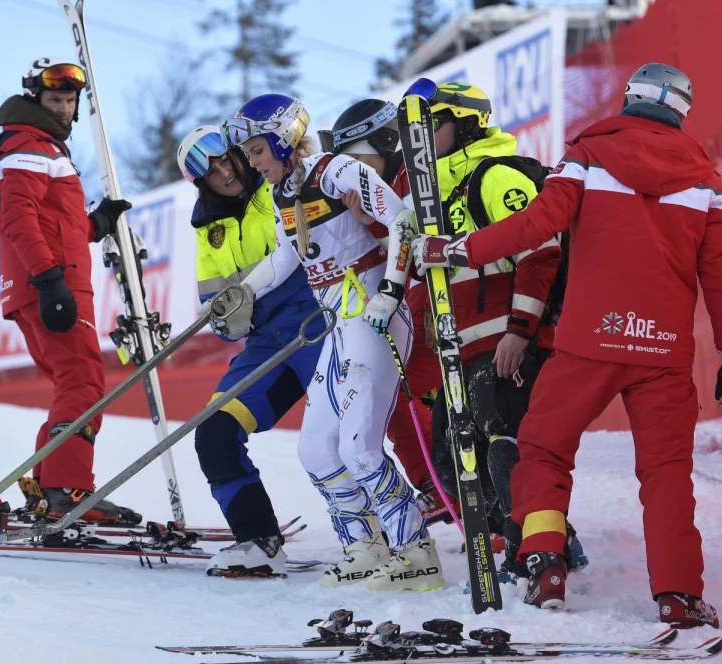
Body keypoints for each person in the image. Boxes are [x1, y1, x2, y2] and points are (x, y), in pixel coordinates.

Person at [412, 63, 722, 627]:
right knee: (666, 475)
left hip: (589, 340)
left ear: (629, 99)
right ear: (681, 112)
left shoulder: (588, 156)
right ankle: (678, 596)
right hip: (662, 352)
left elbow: (534, 226)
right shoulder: (706, 182)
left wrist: (457, 250)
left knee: (542, 449)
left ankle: (545, 564)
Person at [222, 93, 444, 592]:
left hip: (373, 312)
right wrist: (243, 291)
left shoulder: (336, 170)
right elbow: (286, 258)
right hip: (338, 323)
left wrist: (391, 290)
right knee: (315, 449)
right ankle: (364, 546)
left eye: (257, 150)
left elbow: (402, 221)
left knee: (358, 445)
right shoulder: (283, 194)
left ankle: (416, 552)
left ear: (283, 140)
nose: (252, 163)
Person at [408, 80, 588, 582]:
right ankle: (533, 537)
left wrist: (520, 331)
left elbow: (541, 252)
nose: (421, 138)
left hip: (509, 340)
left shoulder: (494, 174)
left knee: (504, 445)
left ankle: (536, 550)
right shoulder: (437, 194)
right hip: (464, 348)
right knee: (449, 458)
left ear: (465, 124)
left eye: (431, 125)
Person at [0, 58, 138, 525]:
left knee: (70, 383)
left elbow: (56, 224)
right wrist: (48, 279)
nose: (63, 108)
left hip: (45, 281)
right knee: (83, 382)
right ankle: (67, 490)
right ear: (34, 99)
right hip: (50, 282)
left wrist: (97, 224)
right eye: (55, 99)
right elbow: (19, 219)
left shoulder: (42, 148)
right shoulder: (28, 147)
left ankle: (49, 490)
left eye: (69, 100)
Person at [174, 125, 324, 577]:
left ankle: (434, 505)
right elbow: (217, 309)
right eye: (211, 172)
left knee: (350, 430)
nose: (224, 173)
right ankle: (259, 541)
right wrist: (225, 316)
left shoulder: (276, 184)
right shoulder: (207, 227)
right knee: (213, 433)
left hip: (319, 317)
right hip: (266, 341)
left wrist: (246, 294)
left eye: (226, 159)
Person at [319, 100, 448, 521]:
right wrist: (369, 222)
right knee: (392, 396)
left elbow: (422, 247)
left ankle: (444, 486)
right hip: (424, 306)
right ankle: (438, 485)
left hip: (451, 307)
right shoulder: (384, 185)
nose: (353, 173)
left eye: (358, 160)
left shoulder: (416, 178)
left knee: (395, 392)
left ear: (387, 144)